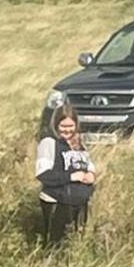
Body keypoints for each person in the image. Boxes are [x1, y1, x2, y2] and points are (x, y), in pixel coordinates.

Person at [35, 105, 96, 245]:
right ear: (56, 124)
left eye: (71, 126)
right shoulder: (48, 143)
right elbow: (43, 174)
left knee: (76, 244)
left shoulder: (79, 143)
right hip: (57, 203)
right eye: (63, 126)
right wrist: (71, 177)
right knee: (57, 245)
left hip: (80, 203)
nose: (67, 130)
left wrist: (91, 175)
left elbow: (89, 165)